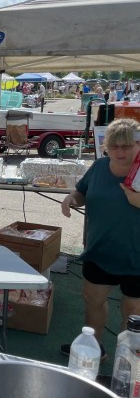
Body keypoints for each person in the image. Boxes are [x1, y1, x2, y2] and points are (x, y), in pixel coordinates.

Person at [60, 118, 140, 358]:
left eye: (127, 146)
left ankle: (125, 359)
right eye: (114, 146)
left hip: (136, 255)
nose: (120, 152)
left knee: (133, 310)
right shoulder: (99, 166)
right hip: (100, 249)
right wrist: (72, 198)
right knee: (93, 299)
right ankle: (93, 349)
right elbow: (82, 191)